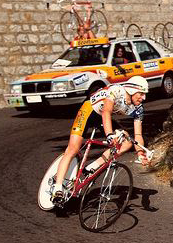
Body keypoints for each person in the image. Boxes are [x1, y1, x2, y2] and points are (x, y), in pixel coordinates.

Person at [52, 76, 150, 204]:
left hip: (103, 118)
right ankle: (57, 188)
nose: (143, 98)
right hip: (89, 111)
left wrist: (140, 154)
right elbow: (106, 112)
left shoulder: (138, 109)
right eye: (141, 94)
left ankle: (93, 166)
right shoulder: (116, 91)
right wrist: (110, 135)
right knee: (73, 149)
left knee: (127, 142)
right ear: (132, 90)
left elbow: (138, 135)